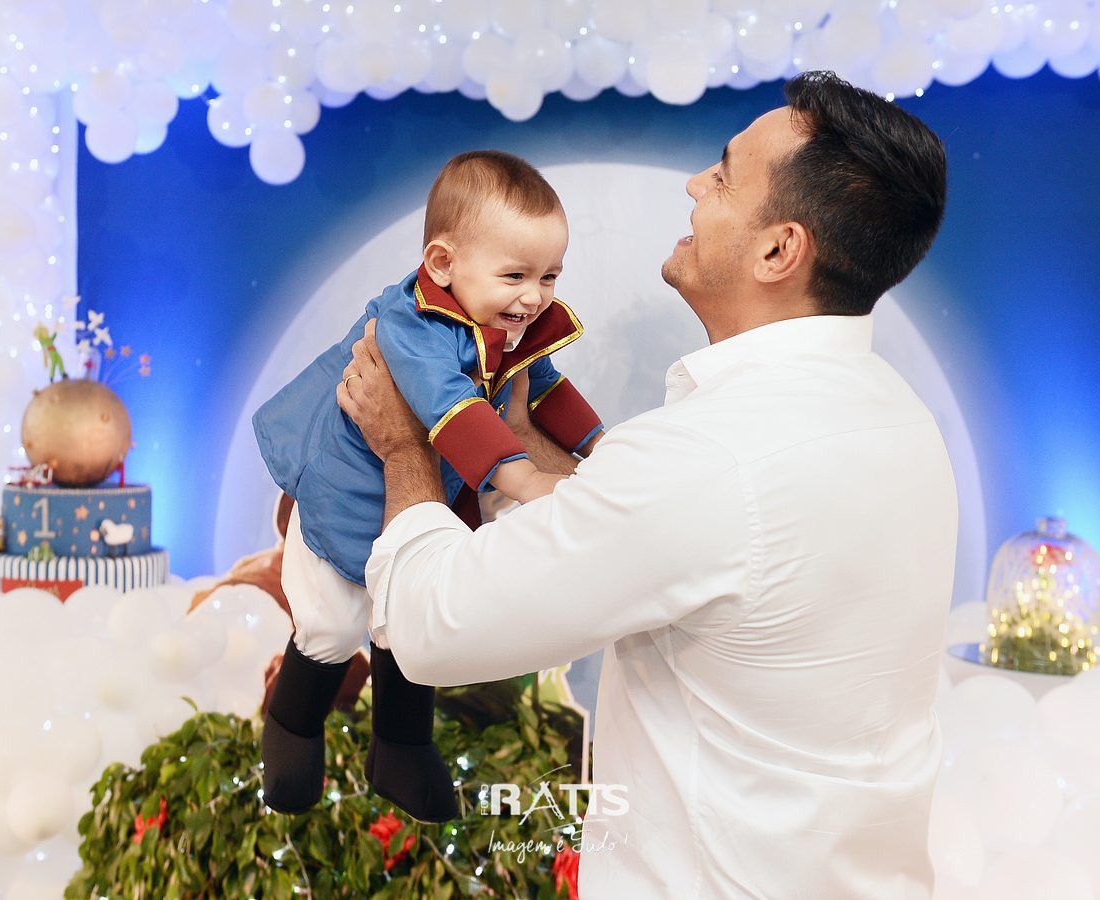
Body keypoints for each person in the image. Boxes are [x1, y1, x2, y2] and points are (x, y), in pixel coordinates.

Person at [338, 70, 958, 898]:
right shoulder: (898, 416)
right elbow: (661, 540)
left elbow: (430, 629)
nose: (696, 184)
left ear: (779, 250)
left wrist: (403, 444)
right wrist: (525, 449)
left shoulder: (708, 460)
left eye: (725, 176)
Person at [252, 151, 604, 822]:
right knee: (331, 625)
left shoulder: (507, 322)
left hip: (417, 496)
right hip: (347, 498)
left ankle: (402, 747)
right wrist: (525, 478)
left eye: (549, 276)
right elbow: (452, 410)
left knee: (407, 619)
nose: (535, 296)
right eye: (515, 275)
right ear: (442, 264)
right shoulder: (411, 328)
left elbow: (546, 388)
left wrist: (602, 450)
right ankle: (293, 727)